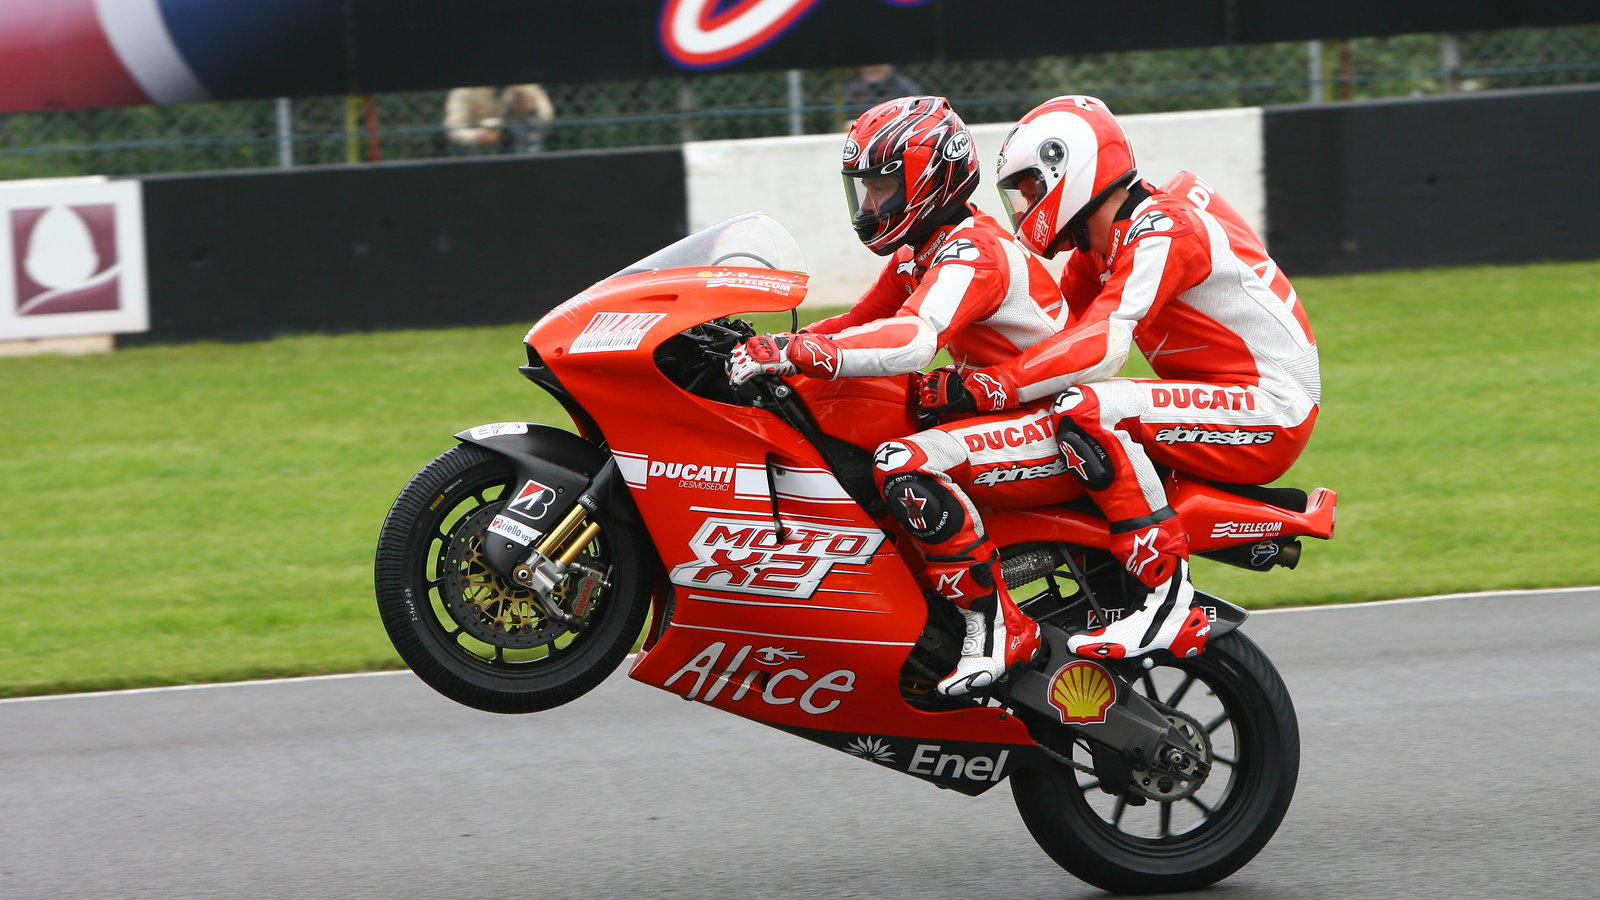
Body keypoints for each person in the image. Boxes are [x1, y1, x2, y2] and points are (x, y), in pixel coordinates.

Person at [938, 94, 1322, 661]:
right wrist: (962, 391)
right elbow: (1052, 342)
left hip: (1270, 409)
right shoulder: (1101, 248)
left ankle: (1169, 600)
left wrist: (993, 386)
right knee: (1065, 408)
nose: (1023, 207)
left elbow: (1102, 343)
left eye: (1028, 188)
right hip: (1228, 399)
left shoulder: (1164, 229)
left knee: (1090, 408)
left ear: (1064, 167)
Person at [727, 96, 1077, 697]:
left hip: (1058, 428)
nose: (868, 206)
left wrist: (800, 355)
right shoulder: (927, 247)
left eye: (882, 187)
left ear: (932, 176)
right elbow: (862, 320)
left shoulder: (975, 252)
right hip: (1006, 412)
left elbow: (914, 340)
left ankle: (995, 624)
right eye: (861, 190)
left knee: (902, 464)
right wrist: (772, 343)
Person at [443, 85, 555, 155]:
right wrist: (476, 136)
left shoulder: (524, 86)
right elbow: (453, 126)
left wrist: (532, 109)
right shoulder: (465, 90)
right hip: (477, 138)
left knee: (528, 127)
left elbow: (547, 115)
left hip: (511, 136)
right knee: (464, 143)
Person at [843, 65, 923, 119]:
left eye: (878, 66)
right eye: (869, 66)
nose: (873, 69)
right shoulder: (854, 88)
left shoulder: (905, 87)